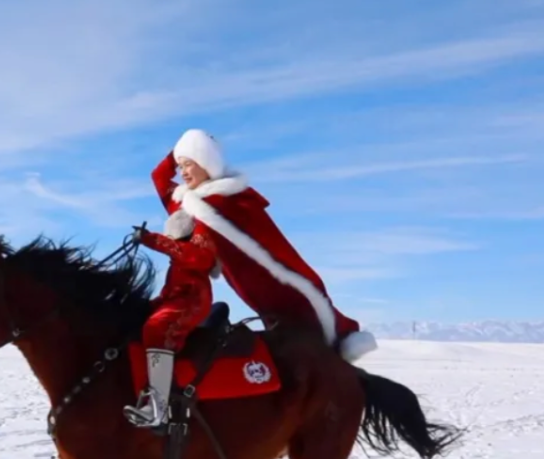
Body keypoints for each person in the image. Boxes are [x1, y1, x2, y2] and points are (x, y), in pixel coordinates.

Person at [150, 128, 377, 363]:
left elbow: (272, 245)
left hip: (263, 278)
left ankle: (336, 346)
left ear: (206, 164)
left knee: (298, 318)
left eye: (188, 164)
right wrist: (178, 151)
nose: (183, 172)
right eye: (180, 166)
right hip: (241, 282)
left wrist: (153, 240)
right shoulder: (187, 201)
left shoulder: (227, 201)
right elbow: (158, 177)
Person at [123, 211, 218, 427]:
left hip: (192, 303)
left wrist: (150, 239)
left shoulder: (199, 252)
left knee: (156, 328)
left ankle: (159, 408)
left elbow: (189, 255)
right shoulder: (178, 260)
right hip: (178, 301)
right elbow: (170, 293)